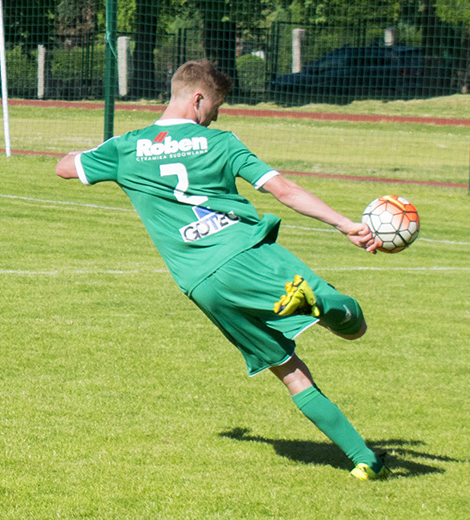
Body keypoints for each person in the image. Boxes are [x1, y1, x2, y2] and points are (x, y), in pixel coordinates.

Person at [56, 59, 390, 480]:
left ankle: (365, 460)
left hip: (202, 284)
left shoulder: (127, 148)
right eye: (216, 105)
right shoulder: (221, 143)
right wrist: (345, 224)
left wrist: (107, 151)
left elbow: (64, 166)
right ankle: (323, 308)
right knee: (354, 325)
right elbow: (282, 190)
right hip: (246, 253)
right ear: (197, 99)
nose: (216, 115)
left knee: (287, 369)